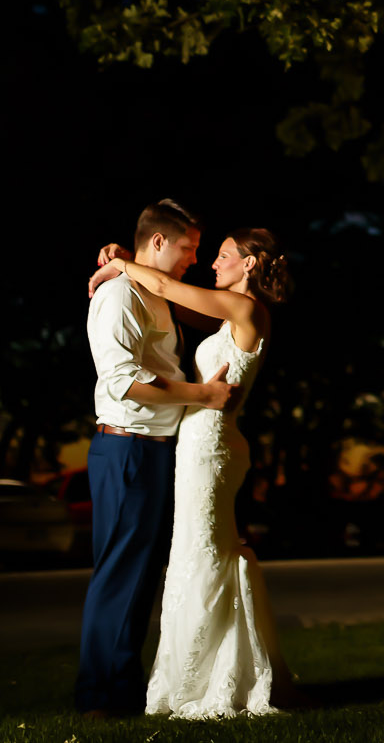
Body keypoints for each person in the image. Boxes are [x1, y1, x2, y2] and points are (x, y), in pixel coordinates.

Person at [88, 226, 308, 716]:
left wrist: (121, 263)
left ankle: (208, 682)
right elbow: (168, 298)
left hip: (211, 446)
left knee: (203, 554)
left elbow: (165, 286)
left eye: (223, 255)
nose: (211, 262)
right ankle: (207, 673)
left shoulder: (246, 309)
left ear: (249, 264)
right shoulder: (230, 312)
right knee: (198, 551)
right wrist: (127, 259)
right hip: (199, 445)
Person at [75, 199, 239, 718]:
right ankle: (99, 698)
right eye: (188, 248)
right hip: (128, 447)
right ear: (160, 241)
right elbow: (124, 381)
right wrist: (203, 395)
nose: (195, 258)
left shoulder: (152, 290)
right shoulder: (119, 294)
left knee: (139, 576)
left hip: (152, 449)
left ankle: (119, 691)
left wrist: (126, 260)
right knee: (120, 575)